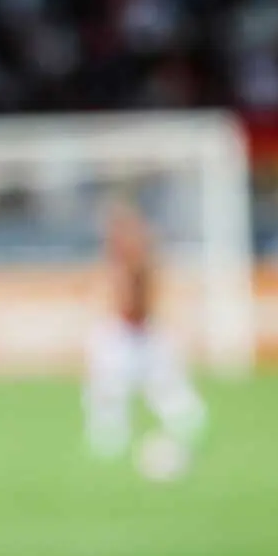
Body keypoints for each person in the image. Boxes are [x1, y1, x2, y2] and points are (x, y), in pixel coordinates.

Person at [82, 199, 207, 481]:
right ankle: (108, 439)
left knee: (167, 389)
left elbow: (140, 299)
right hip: (121, 334)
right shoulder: (117, 263)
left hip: (145, 334)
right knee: (106, 391)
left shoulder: (142, 264)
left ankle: (189, 425)